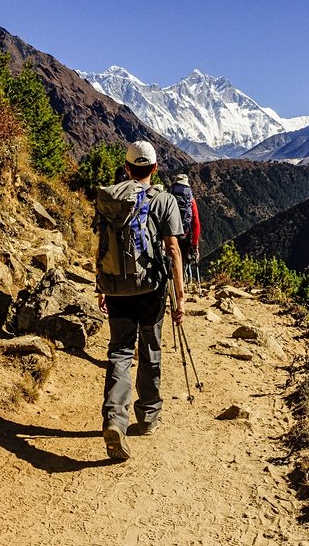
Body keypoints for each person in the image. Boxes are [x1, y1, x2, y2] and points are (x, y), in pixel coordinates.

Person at [95, 140, 185, 461]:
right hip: (151, 290)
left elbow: (103, 243)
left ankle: (114, 420)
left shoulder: (111, 198)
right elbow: (173, 249)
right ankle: (147, 416)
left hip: (116, 286)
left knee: (120, 351)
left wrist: (102, 285)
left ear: (127, 168)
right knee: (150, 346)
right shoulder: (164, 200)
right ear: (155, 168)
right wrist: (181, 295)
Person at [168, 173, 201, 281]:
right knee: (180, 262)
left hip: (168, 234)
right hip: (184, 235)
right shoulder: (190, 200)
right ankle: (180, 289)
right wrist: (195, 244)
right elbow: (196, 223)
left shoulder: (168, 196)